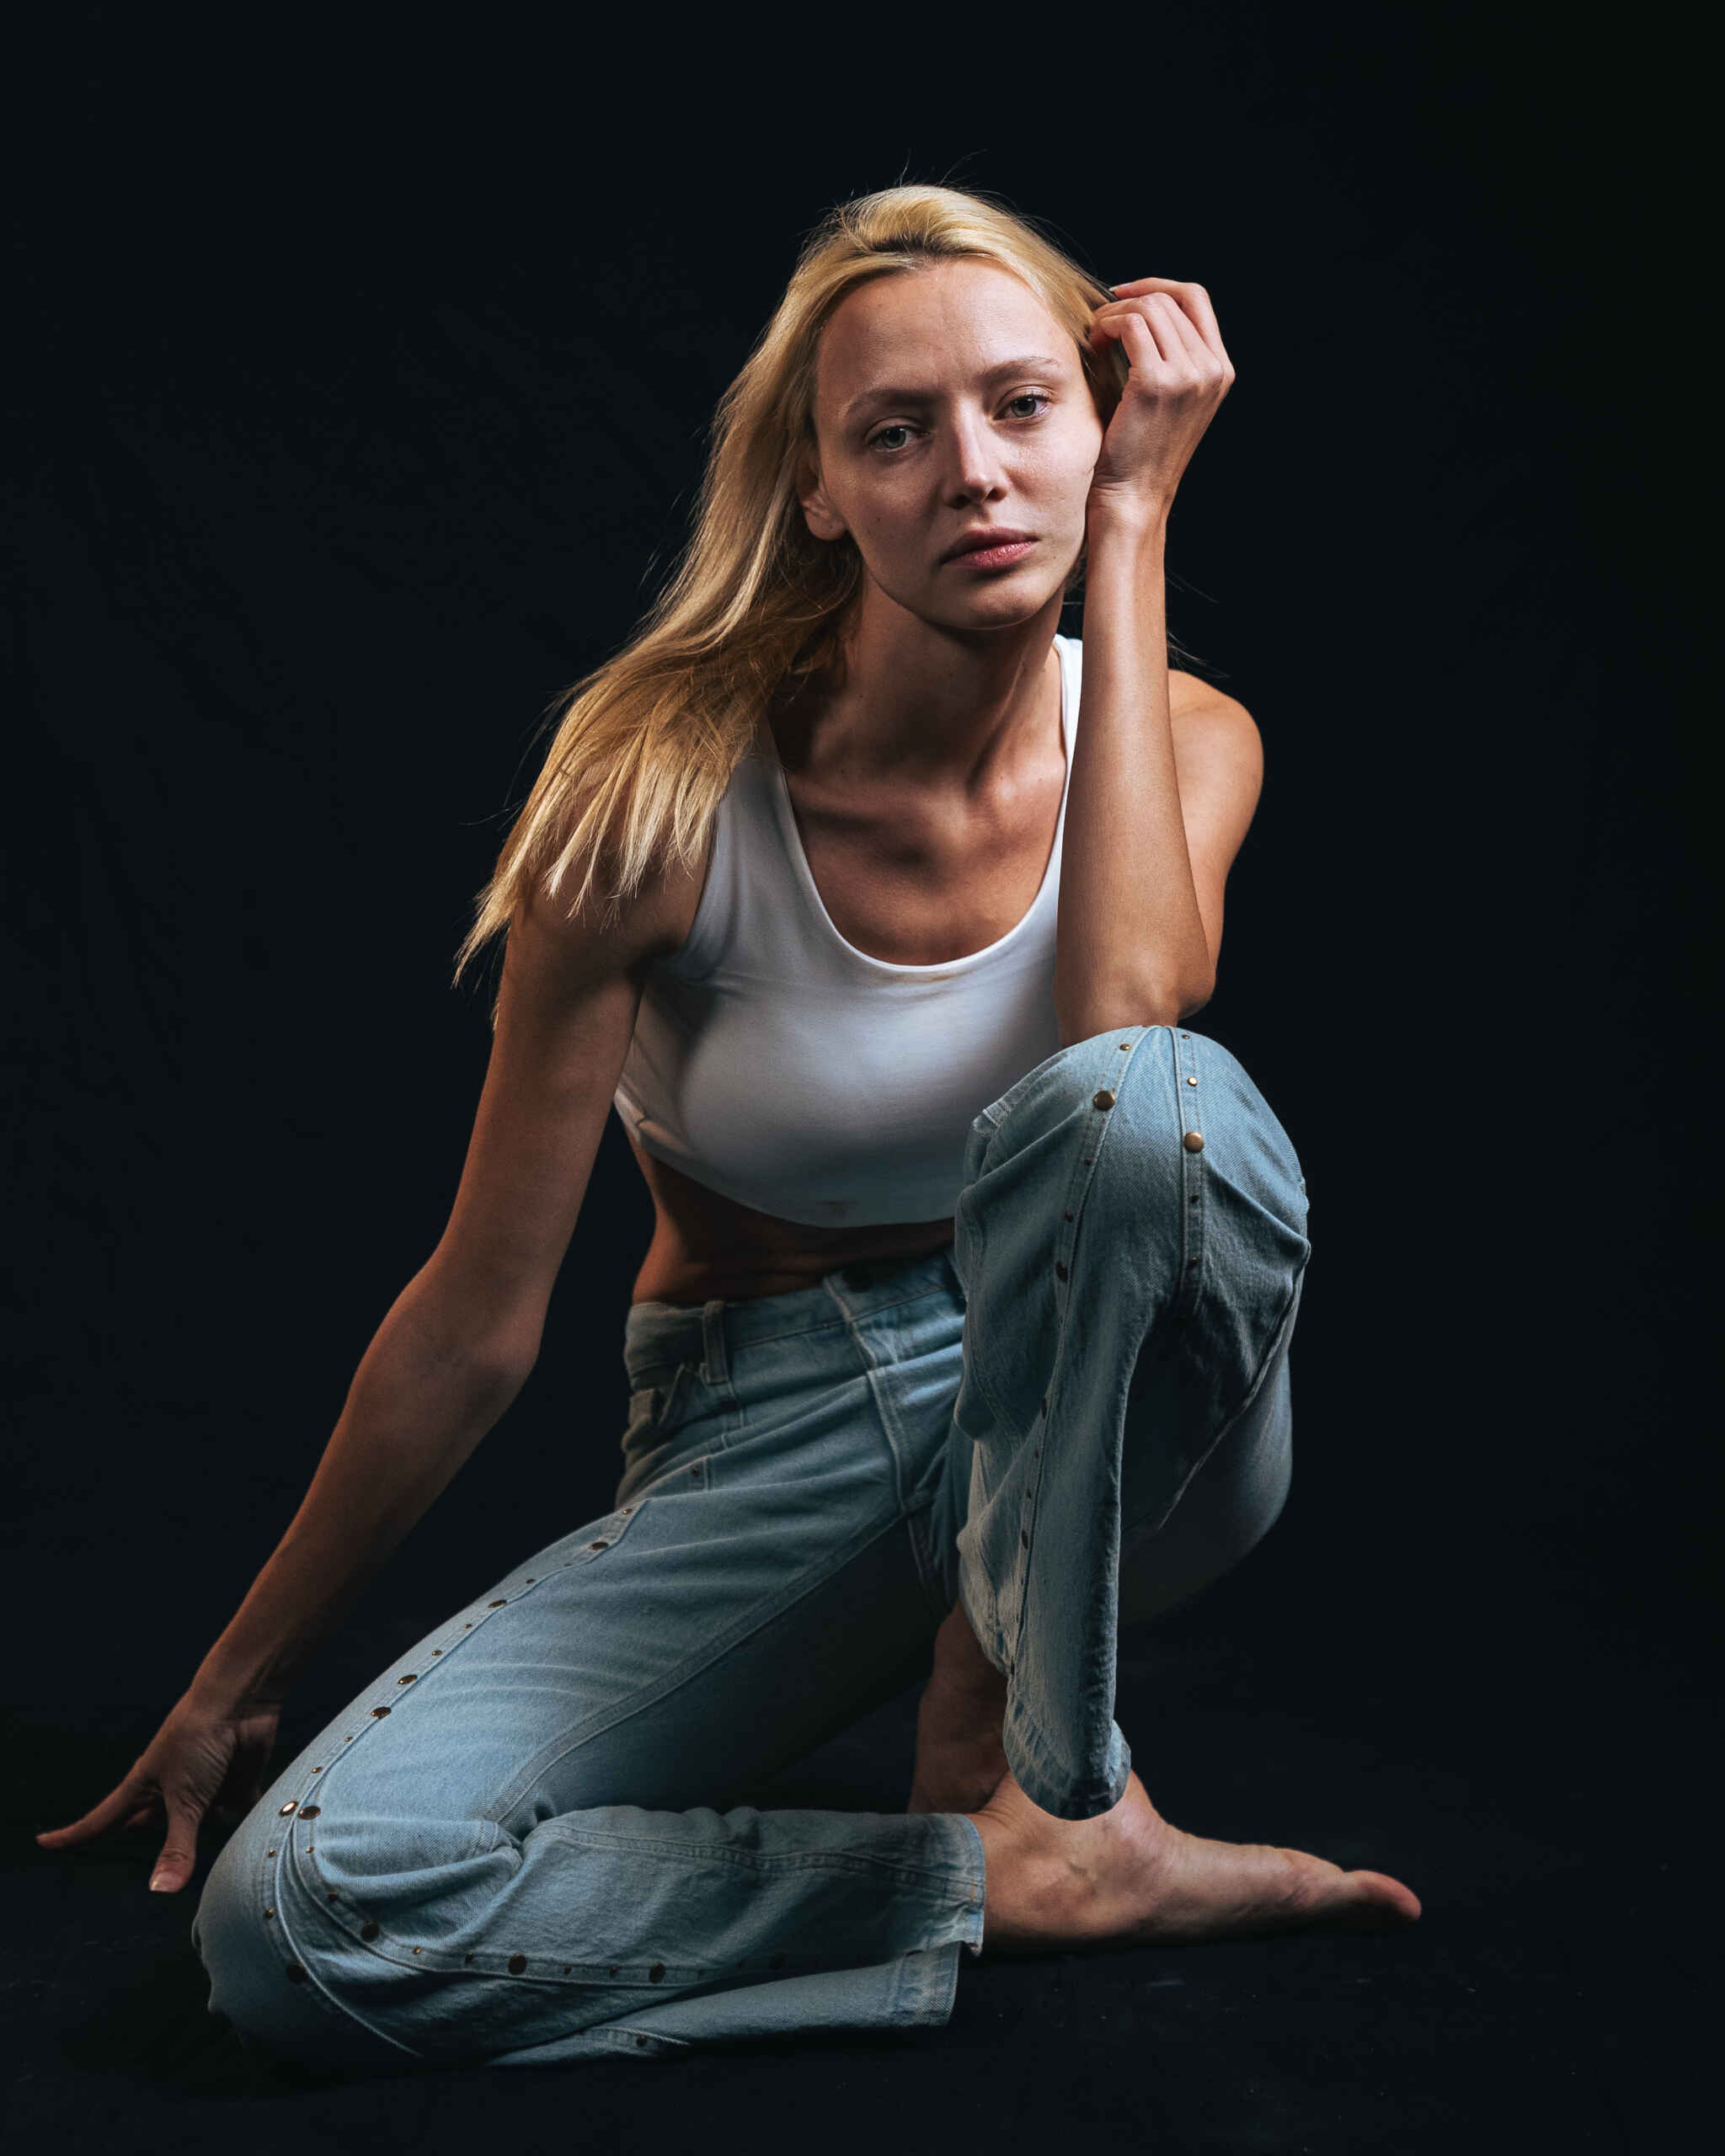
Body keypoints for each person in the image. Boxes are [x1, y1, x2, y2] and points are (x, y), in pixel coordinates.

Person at [36, 183, 1419, 2070]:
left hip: (1123, 1418)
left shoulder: (1191, 735)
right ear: (818, 493)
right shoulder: (660, 791)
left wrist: (1133, 525)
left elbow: (1120, 1029)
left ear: (1107, 424)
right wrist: (238, 1675)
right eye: (895, 432)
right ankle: (1001, 1866)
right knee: (301, 1916)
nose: (974, 472)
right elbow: (475, 1315)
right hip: (780, 1434)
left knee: (1150, 1105)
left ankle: (1005, 1718)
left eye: (1026, 406)